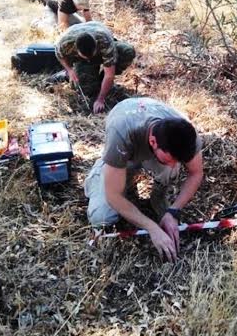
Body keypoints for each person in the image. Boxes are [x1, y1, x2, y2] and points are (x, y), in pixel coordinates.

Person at [85, 97, 204, 261]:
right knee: (102, 216)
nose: (173, 166)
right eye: (169, 160)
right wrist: (152, 228)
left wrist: (174, 211)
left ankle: (158, 197)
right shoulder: (121, 134)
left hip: (150, 130)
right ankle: (105, 167)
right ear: (153, 141)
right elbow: (114, 197)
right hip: (127, 132)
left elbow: (196, 173)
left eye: (178, 161)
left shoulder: (187, 135)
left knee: (169, 166)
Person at [55, 21, 135, 114]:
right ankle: (66, 75)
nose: (89, 58)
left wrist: (100, 99)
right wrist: (69, 70)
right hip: (82, 61)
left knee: (127, 51)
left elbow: (109, 75)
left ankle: (102, 81)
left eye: (91, 55)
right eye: (86, 56)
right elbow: (59, 55)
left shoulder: (104, 41)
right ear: (76, 49)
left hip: (101, 52)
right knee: (87, 90)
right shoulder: (65, 43)